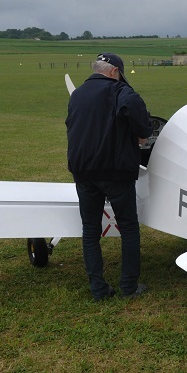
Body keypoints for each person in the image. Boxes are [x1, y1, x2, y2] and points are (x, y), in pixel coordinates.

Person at [66, 53, 153, 301]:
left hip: (83, 171)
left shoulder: (78, 95)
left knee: (90, 230)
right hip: (116, 173)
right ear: (114, 71)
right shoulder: (123, 93)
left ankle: (98, 289)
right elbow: (145, 130)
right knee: (128, 227)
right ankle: (128, 287)